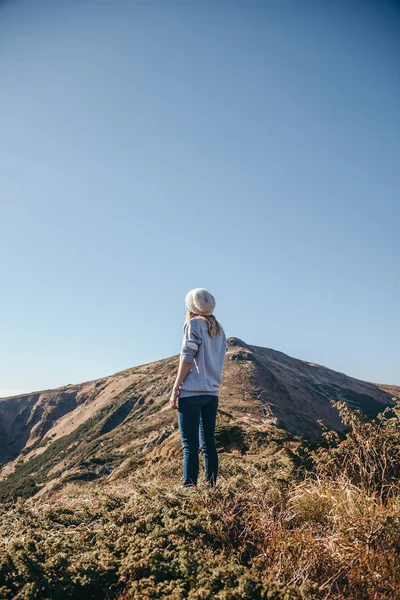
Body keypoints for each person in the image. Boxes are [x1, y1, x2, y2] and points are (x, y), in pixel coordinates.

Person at [169, 288, 228, 488]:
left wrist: (176, 387)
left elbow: (187, 358)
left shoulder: (193, 324)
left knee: (190, 446)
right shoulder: (219, 330)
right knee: (209, 443)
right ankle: (211, 486)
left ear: (191, 307)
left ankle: (189, 488)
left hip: (192, 392)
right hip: (212, 394)